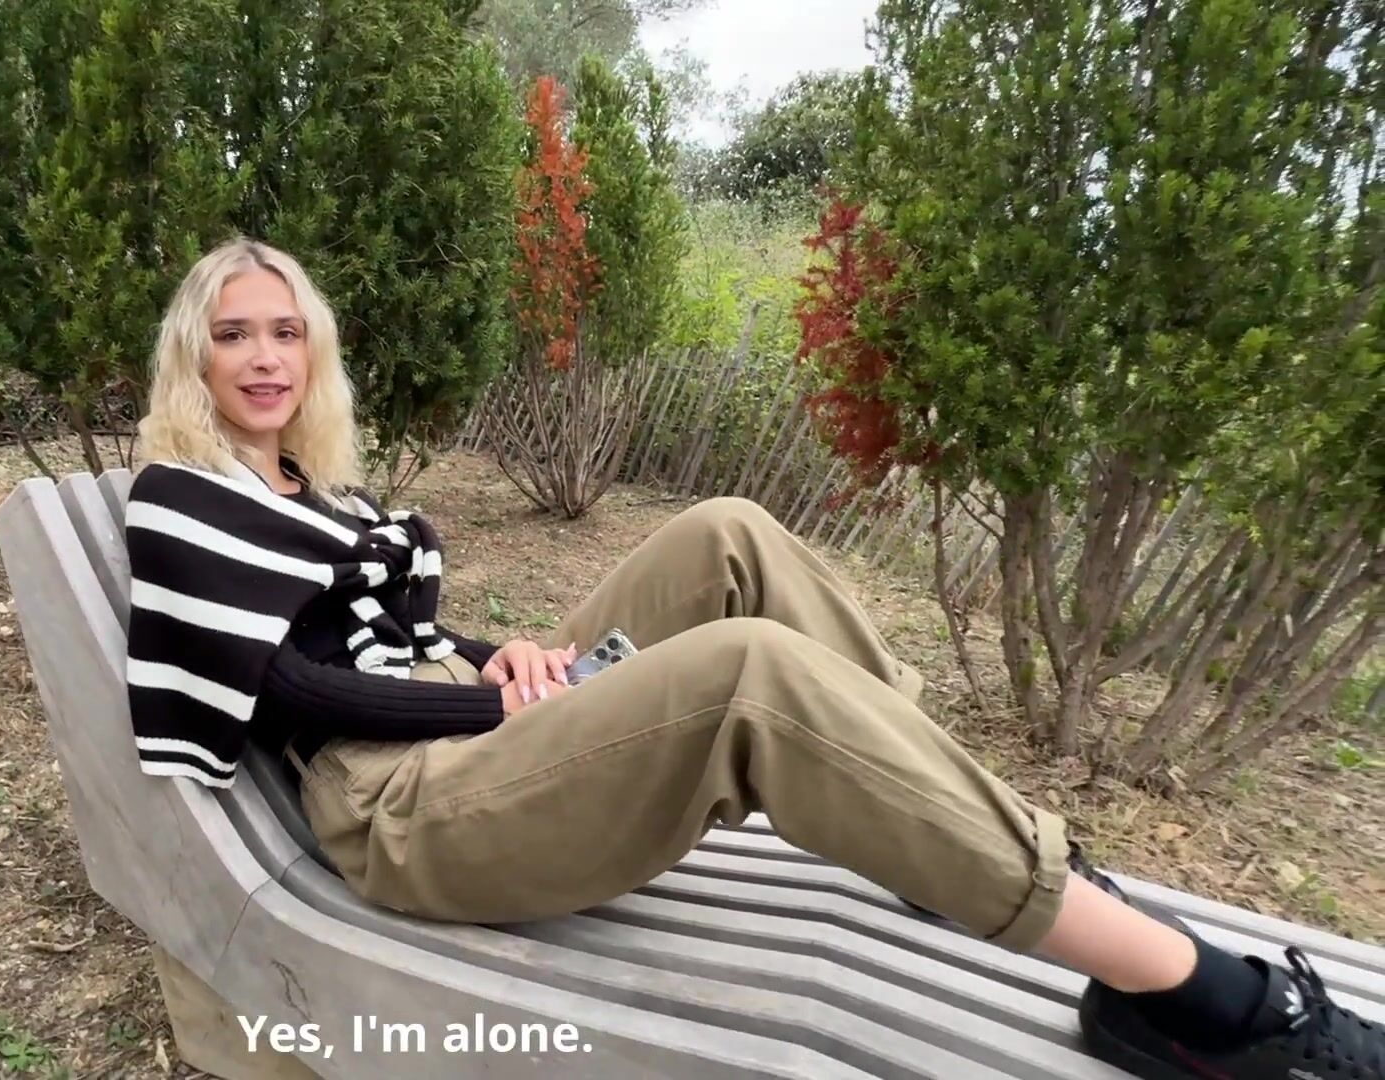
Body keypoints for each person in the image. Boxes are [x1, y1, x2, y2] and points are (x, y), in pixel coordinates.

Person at [118, 236, 1382, 1080]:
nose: (266, 358)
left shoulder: (315, 489)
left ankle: (962, 828)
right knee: (746, 670)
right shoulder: (183, 493)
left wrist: (507, 662)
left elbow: (405, 636)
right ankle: (1203, 1008)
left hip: (456, 726)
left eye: (287, 331)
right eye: (235, 335)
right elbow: (284, 688)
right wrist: (490, 717)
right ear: (195, 356)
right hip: (404, 807)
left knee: (728, 533)